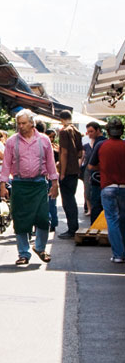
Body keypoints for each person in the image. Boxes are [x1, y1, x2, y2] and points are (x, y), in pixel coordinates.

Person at [0, 110, 59, 266]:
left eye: (24, 123)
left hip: (39, 183)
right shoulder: (12, 141)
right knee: (20, 220)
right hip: (19, 184)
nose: (21, 126)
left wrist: (55, 183)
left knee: (43, 219)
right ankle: (23, 253)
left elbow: (51, 163)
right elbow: (6, 164)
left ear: (32, 123)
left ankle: (39, 248)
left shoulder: (44, 140)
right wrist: (2, 185)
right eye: (19, 123)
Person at [88, 117, 125, 263]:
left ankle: (118, 254)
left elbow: (91, 166)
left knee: (112, 220)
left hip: (108, 187)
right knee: (123, 220)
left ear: (108, 131)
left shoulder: (101, 145)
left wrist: (103, 167)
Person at [56, 111, 84, 238]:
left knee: (67, 201)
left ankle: (72, 229)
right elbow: (80, 153)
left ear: (61, 119)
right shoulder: (76, 131)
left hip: (67, 171)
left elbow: (64, 153)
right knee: (71, 199)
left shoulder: (64, 131)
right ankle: (73, 227)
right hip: (74, 170)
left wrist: (62, 172)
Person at [84, 122, 106, 226]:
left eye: (91, 131)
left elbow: (91, 165)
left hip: (98, 178)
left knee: (96, 204)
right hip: (99, 178)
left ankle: (95, 227)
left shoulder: (100, 143)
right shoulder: (97, 142)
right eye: (88, 132)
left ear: (98, 130)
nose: (89, 134)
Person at [44, 127, 60, 232]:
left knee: (51, 201)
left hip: (52, 177)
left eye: (53, 137)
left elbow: (58, 162)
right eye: (50, 136)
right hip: (45, 176)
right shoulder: (44, 147)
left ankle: (53, 223)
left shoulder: (55, 149)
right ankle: (48, 222)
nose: (52, 139)